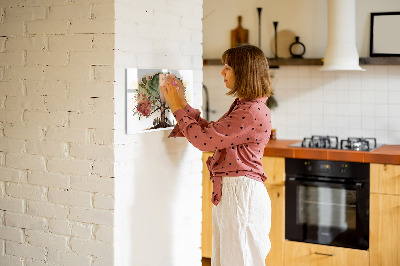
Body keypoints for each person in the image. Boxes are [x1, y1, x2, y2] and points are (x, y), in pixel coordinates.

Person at [161, 44, 273, 266]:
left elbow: (204, 141)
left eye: (228, 67)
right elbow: (213, 133)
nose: (222, 72)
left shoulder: (250, 111)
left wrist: (176, 108)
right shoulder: (246, 106)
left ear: (244, 72)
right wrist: (183, 104)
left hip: (241, 195)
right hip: (236, 193)